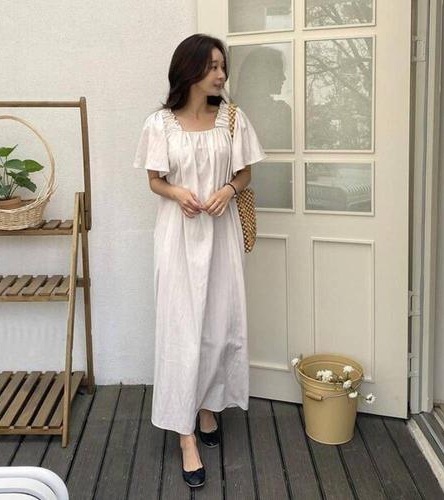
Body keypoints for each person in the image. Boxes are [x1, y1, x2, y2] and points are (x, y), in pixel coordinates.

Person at [133, 33, 266, 488]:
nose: (221, 74)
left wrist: (228, 190)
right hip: (178, 236)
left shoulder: (232, 119)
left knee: (217, 325)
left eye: (222, 66)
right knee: (180, 329)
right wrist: (176, 193)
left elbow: (245, 172)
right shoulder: (159, 124)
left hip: (221, 233)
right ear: (188, 70)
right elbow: (154, 179)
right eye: (212, 66)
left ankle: (208, 405)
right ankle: (184, 433)